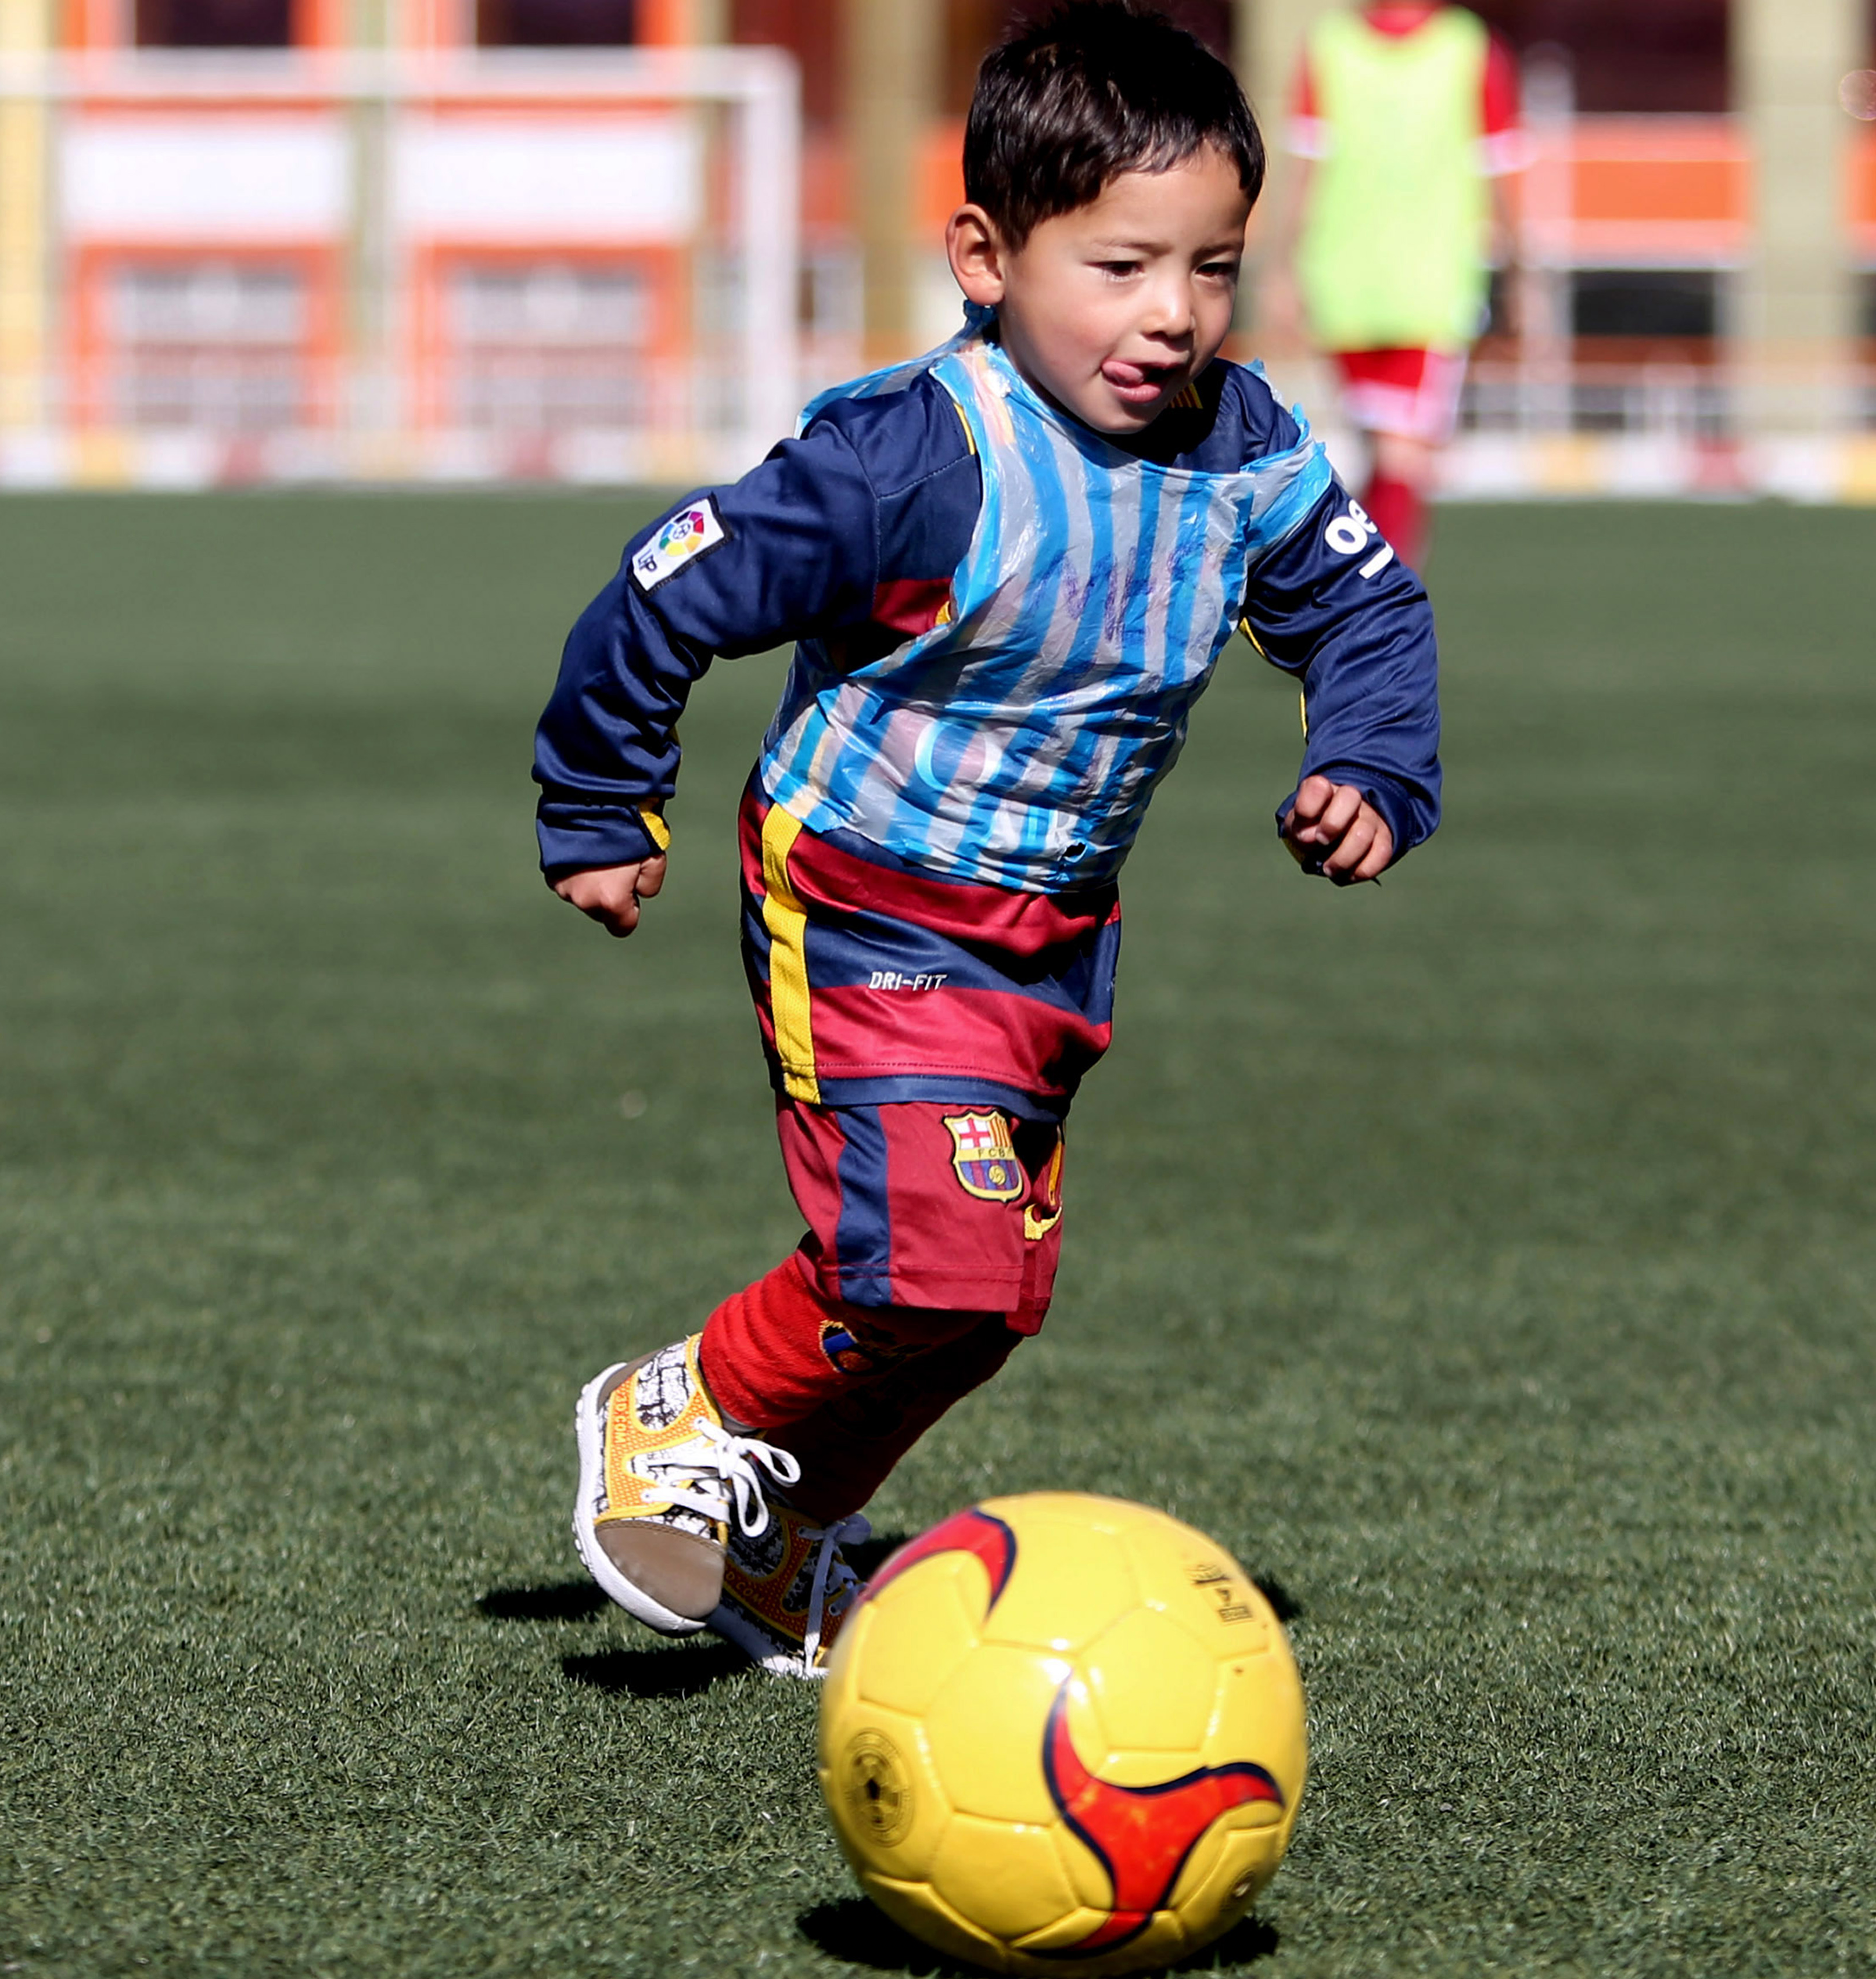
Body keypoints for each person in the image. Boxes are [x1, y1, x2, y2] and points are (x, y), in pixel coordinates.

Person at [532, 0, 1442, 1679]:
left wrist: (1375, 760)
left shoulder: (1245, 449)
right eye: (1119, 266)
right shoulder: (907, 460)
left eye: (1213, 266)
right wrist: (600, 800)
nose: (1173, 316)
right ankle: (688, 1400)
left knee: (990, 1295)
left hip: (1053, 933)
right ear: (984, 254)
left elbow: (1369, 614)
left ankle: (783, 1527)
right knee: (925, 1265)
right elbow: (662, 587)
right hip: (866, 899)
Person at [1263, 1, 1527, 569]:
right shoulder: (1471, 49)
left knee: (1385, 451)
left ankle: (1356, 589)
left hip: (1343, 285)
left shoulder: (1329, 45)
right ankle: (1376, 601)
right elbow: (1501, 177)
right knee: (1405, 457)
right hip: (1432, 286)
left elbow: (1303, 175)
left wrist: (1284, 268)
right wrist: (1522, 275)